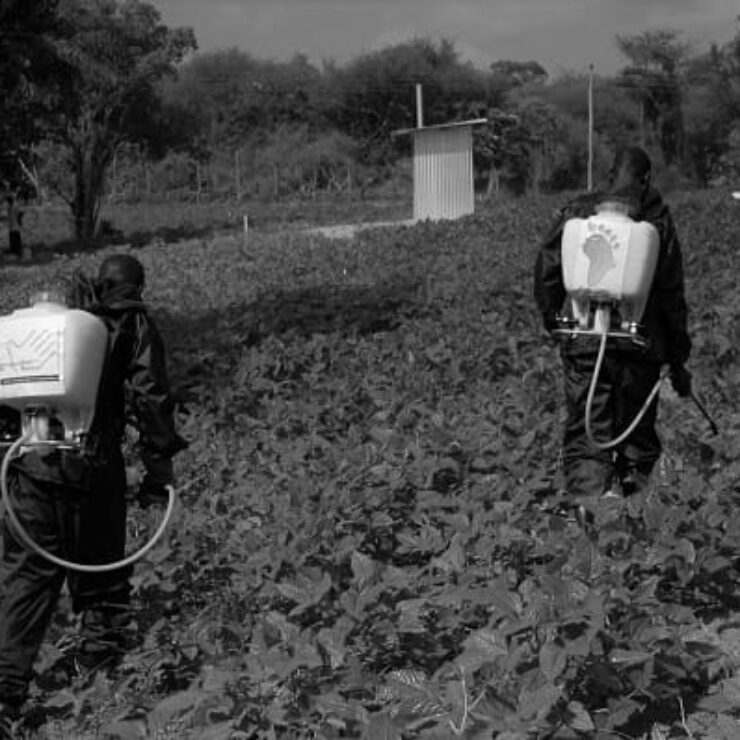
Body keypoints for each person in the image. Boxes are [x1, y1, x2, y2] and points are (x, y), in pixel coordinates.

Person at [0, 254, 187, 734]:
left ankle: (4, 698)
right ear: (135, 287)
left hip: (28, 469)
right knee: (102, 575)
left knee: (25, 583)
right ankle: (102, 683)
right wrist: (158, 464)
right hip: (92, 469)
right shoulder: (128, 324)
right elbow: (150, 393)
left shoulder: (33, 331)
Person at [533, 146, 692, 505]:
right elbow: (670, 293)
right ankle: (635, 522)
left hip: (584, 338)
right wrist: (678, 355)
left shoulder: (577, 211)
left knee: (588, 435)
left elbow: (547, 269)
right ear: (646, 178)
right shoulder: (656, 218)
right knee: (636, 437)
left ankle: (592, 520)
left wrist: (555, 323)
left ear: (608, 176)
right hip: (640, 343)